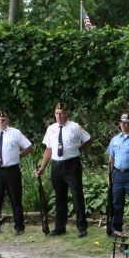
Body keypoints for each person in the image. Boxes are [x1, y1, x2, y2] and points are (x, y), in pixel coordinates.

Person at [36, 102, 91, 238]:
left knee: (77, 195)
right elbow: (49, 149)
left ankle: (81, 227)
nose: (59, 116)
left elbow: (89, 140)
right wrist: (42, 167)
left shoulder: (75, 127)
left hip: (72, 164)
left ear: (66, 114)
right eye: (57, 113)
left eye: (61, 113)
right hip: (57, 165)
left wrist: (78, 149)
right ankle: (60, 227)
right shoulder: (51, 129)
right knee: (59, 197)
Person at [0, 110, 32, 235]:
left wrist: (18, 156)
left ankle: (19, 226)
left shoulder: (15, 133)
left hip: (12, 170)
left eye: (3, 120)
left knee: (15, 199)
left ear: (8, 121)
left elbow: (29, 147)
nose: (1, 122)